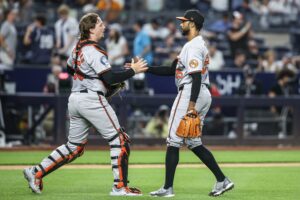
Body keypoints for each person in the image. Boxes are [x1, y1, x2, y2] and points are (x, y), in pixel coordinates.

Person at [23, 13, 148, 196]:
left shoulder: (77, 49)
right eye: (100, 24)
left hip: (75, 99)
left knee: (74, 147)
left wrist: (106, 77)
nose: (104, 27)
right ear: (91, 28)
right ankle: (120, 187)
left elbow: (70, 69)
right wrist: (133, 71)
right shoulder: (93, 50)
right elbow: (110, 77)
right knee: (120, 140)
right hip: (91, 99)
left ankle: (36, 172)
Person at [146, 9, 234, 197]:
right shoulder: (192, 45)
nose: (181, 24)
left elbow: (194, 76)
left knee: (173, 140)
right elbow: (171, 70)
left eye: (184, 21)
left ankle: (167, 188)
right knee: (193, 142)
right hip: (203, 93)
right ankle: (222, 180)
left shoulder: (194, 46)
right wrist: (145, 68)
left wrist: (191, 104)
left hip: (191, 92)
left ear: (192, 23)